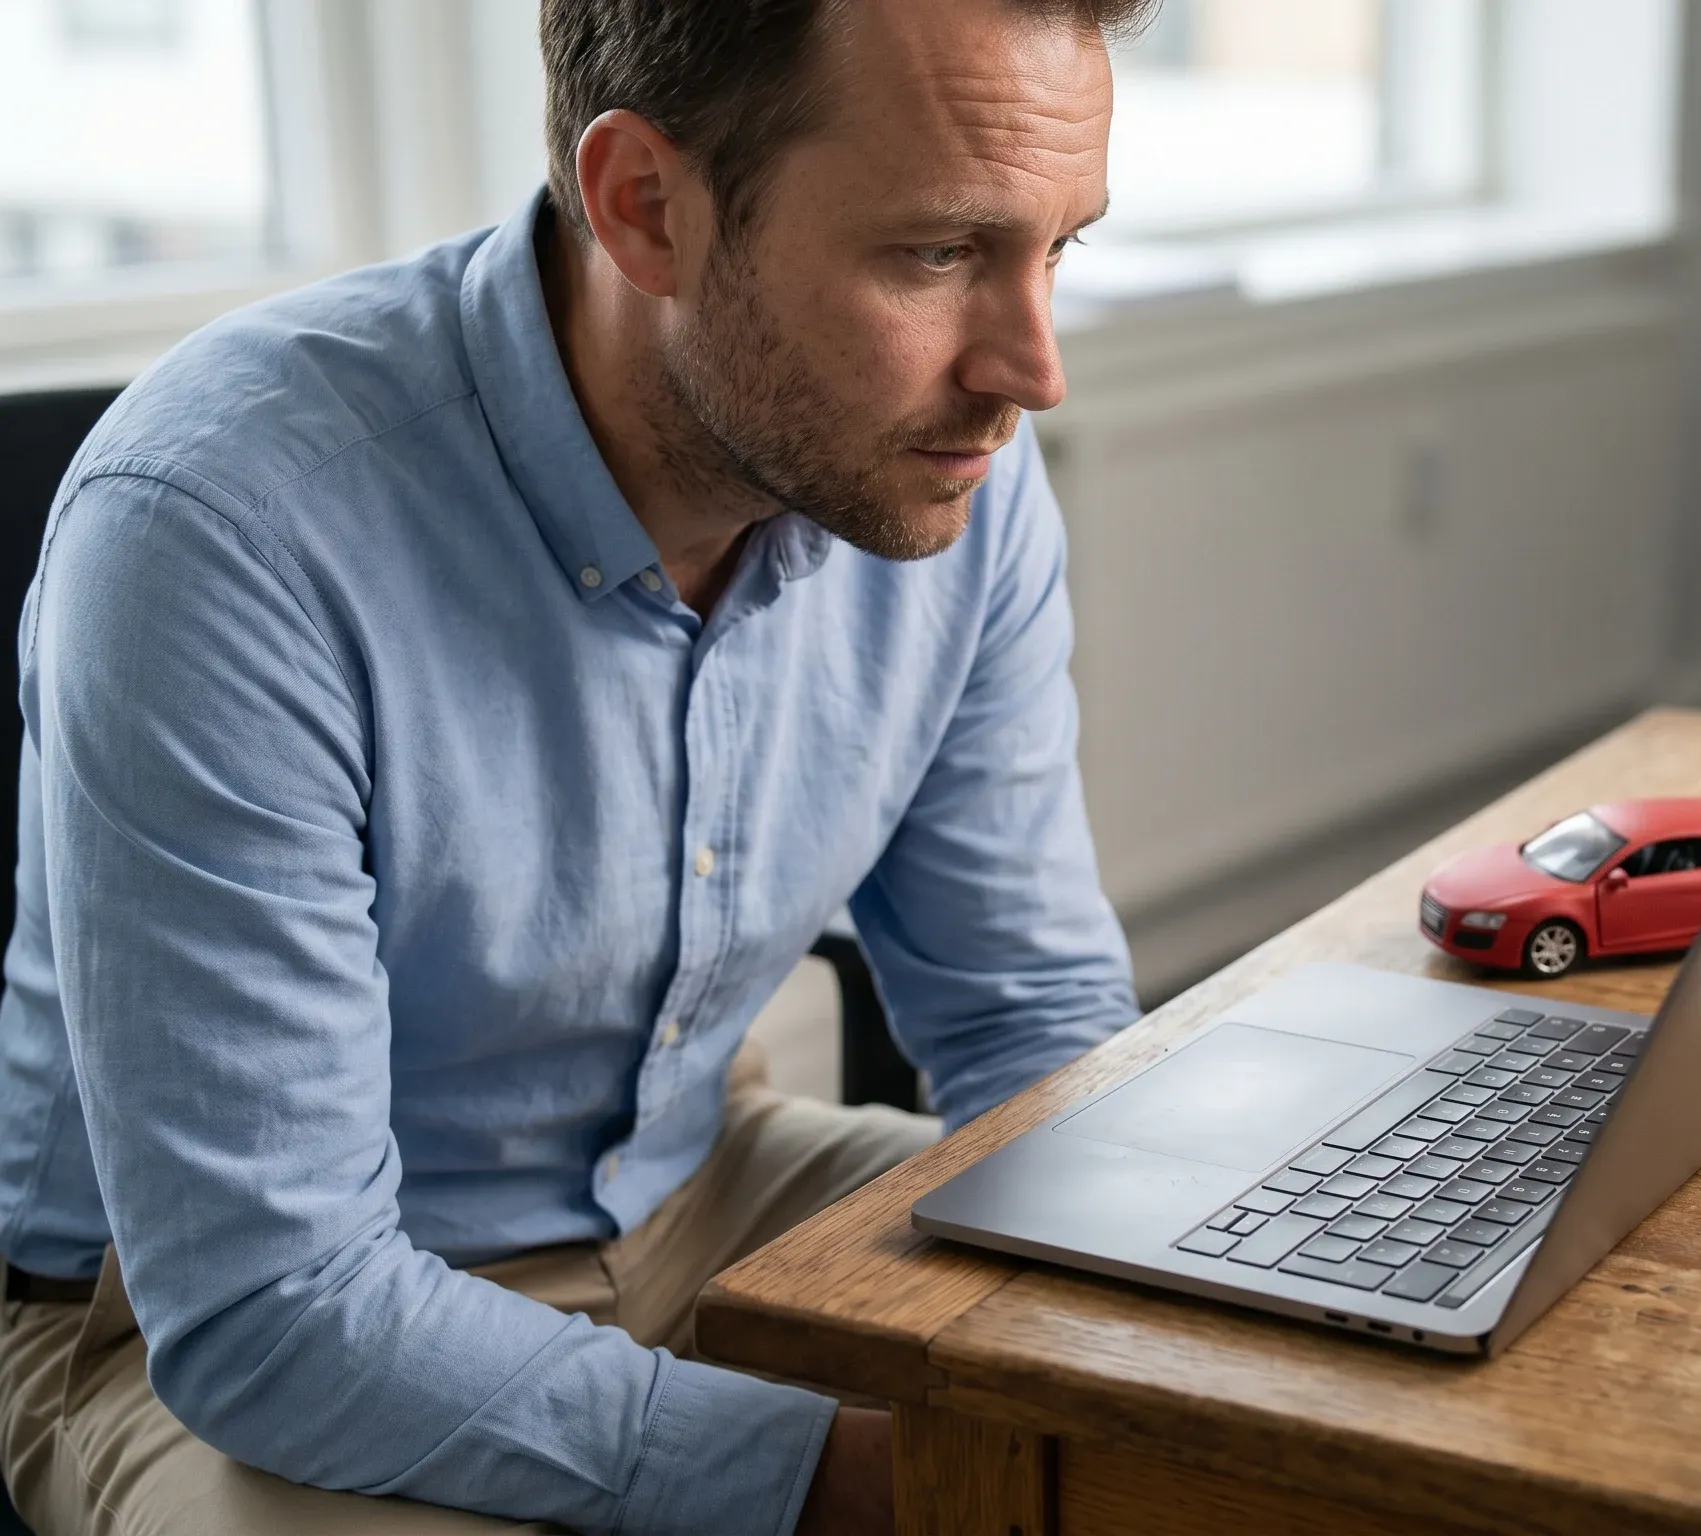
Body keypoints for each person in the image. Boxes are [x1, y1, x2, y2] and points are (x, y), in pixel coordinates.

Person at [0, 0, 1152, 1530]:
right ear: (645, 208)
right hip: (197, 1325)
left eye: (1056, 247)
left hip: (698, 1177)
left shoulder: (944, 480)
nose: (1029, 369)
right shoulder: (222, 530)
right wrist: (874, 1483)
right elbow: (275, 1305)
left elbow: (1029, 1017)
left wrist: (1153, 1361)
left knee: (1230, 1411)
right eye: (937, 255)